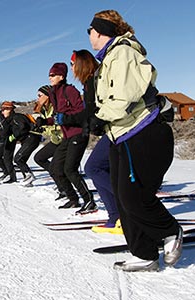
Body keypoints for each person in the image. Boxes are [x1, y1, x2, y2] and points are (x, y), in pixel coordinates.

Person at [87, 9, 182, 271]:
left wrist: (99, 116)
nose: (89, 35)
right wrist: (100, 118)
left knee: (134, 197)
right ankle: (144, 254)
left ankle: (170, 230)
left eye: (90, 30)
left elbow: (124, 97)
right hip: (121, 133)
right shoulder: (108, 58)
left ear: (101, 31)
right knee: (121, 196)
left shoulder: (123, 53)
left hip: (143, 131)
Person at [59, 50, 121, 233]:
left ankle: (130, 207)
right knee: (101, 169)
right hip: (108, 131)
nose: (71, 68)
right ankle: (116, 217)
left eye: (72, 64)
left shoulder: (96, 80)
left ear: (81, 64)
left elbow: (93, 110)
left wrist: (68, 119)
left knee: (93, 168)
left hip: (118, 129)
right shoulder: (88, 84)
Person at [36, 63, 96, 213]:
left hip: (79, 133)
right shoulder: (54, 94)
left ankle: (89, 201)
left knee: (70, 169)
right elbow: (58, 118)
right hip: (67, 136)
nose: (50, 77)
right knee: (56, 168)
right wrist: (45, 121)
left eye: (53, 75)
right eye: (49, 75)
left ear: (61, 76)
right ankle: (73, 199)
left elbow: (82, 114)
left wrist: (66, 119)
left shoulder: (70, 90)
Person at [32, 85, 66, 199]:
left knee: (55, 167)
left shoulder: (55, 107)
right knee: (39, 158)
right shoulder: (44, 110)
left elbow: (61, 122)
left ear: (48, 95)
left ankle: (64, 187)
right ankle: (62, 184)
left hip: (63, 139)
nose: (38, 98)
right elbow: (48, 127)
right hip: (55, 140)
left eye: (40, 95)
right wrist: (41, 129)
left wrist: (47, 123)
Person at [1, 101, 41, 186]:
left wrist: (13, 136)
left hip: (32, 138)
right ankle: (28, 180)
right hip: (27, 140)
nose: (2, 112)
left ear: (10, 110)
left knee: (18, 158)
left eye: (4, 109)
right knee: (21, 160)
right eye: (2, 110)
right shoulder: (9, 120)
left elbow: (22, 128)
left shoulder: (17, 117)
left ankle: (29, 176)